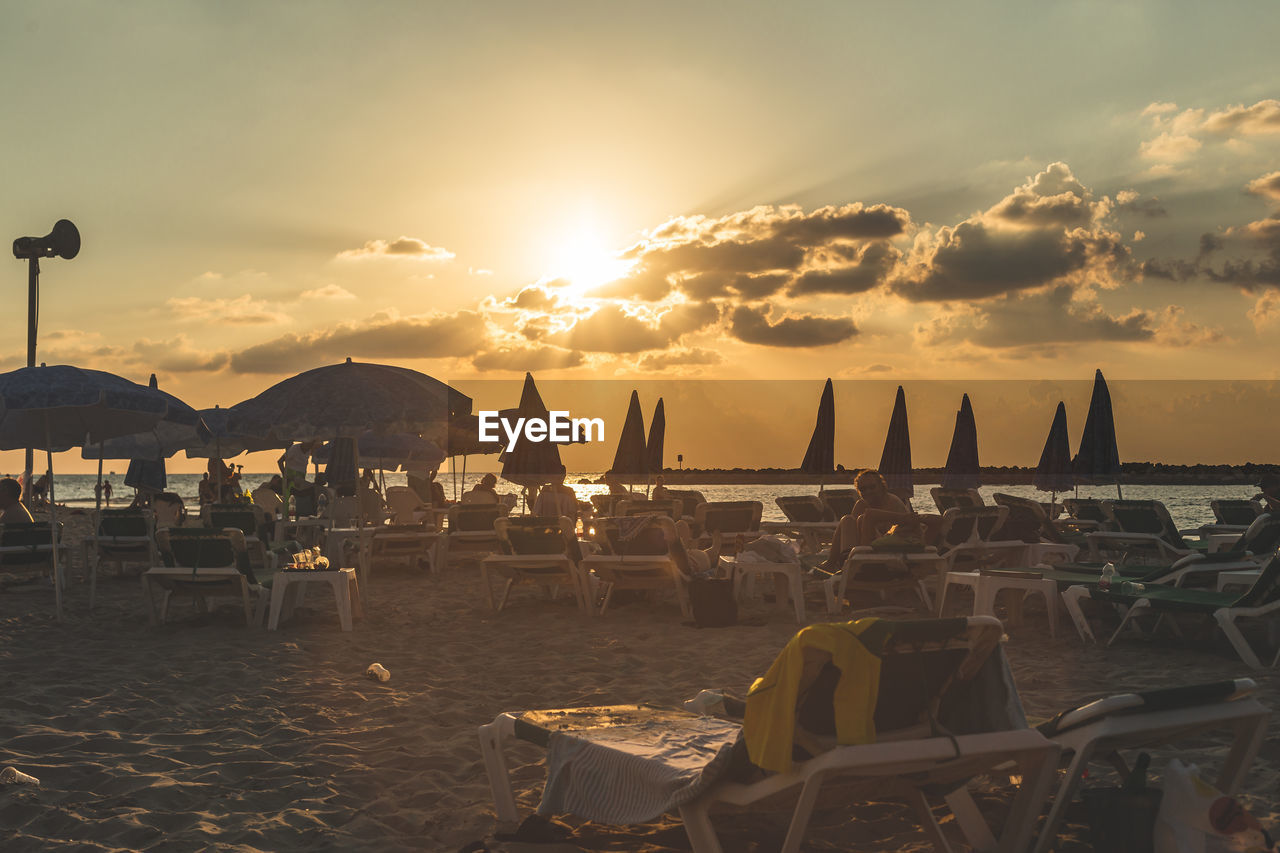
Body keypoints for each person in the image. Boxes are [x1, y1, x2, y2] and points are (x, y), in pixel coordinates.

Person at [814, 469, 915, 573]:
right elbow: (852, 533)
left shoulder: (893, 503)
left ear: (882, 486)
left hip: (888, 552)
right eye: (863, 489)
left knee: (862, 519)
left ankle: (851, 565)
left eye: (872, 487)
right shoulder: (861, 504)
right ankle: (833, 563)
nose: (868, 491)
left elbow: (901, 537)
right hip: (862, 549)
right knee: (847, 519)